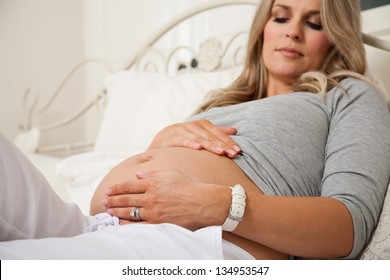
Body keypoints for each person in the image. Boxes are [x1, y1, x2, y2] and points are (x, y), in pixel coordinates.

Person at [1, 0, 389, 260]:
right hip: (90, 227)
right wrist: (159, 142)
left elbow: (348, 225)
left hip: (194, 246)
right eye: (280, 16)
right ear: (263, 28)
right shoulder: (219, 103)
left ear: (336, 35)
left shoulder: (348, 93)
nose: (292, 32)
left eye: (315, 22)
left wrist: (216, 205)